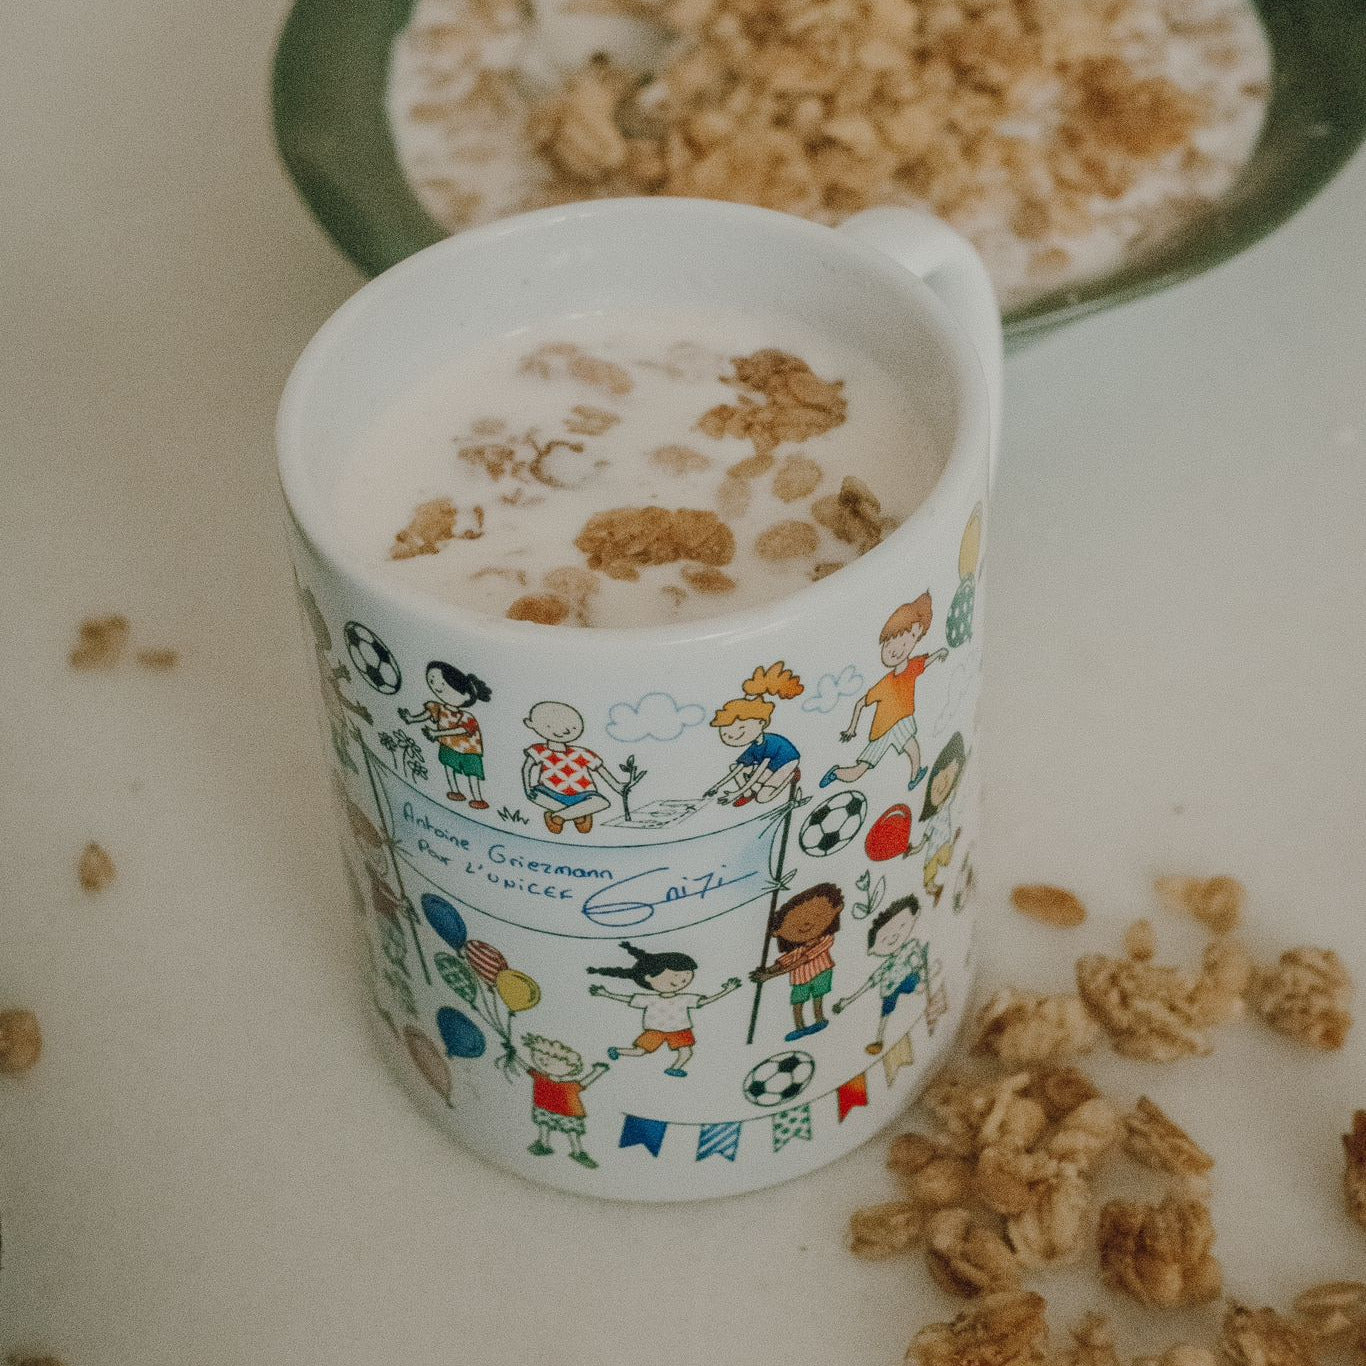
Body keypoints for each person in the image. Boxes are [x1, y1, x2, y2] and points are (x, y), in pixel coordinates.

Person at [822, 594, 947, 792]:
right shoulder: (885, 684)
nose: (901, 648)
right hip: (883, 728)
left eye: (911, 639)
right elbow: (860, 703)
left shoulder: (911, 668)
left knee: (912, 747)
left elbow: (926, 661)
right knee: (861, 769)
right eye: (893, 641)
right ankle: (836, 773)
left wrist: (940, 653)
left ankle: (914, 777)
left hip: (901, 720)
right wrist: (851, 728)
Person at [588, 942, 741, 1077]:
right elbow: (629, 999)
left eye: (686, 976)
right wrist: (606, 994)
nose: (682, 980)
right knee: (640, 1051)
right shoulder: (651, 999)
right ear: (648, 978)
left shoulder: (684, 997)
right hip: (656, 1030)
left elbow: (705, 1001)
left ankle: (674, 1069)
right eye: (676, 975)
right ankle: (617, 1050)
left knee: (686, 1052)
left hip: (680, 1029)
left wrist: (727, 990)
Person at [832, 896, 927, 1055]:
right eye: (884, 939)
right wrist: (848, 1001)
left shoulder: (911, 946)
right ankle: (879, 1039)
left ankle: (918, 985)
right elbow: (870, 983)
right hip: (890, 988)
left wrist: (923, 975)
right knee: (885, 1012)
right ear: (873, 950)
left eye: (902, 925)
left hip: (908, 979)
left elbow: (920, 960)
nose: (894, 936)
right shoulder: (886, 967)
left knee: (912, 981)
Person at [750, 882, 844, 1041]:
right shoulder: (796, 950)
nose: (807, 924)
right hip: (800, 980)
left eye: (817, 914)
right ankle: (800, 1028)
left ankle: (819, 1020)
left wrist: (769, 976)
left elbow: (801, 961)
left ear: (837, 909)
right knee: (798, 1003)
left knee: (817, 998)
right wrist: (767, 971)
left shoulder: (826, 939)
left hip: (822, 972)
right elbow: (783, 962)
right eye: (793, 924)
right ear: (777, 932)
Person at [704, 662, 803, 807]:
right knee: (735, 767)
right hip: (771, 765)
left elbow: (758, 773)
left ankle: (791, 777)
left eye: (741, 728)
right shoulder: (754, 746)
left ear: (761, 723)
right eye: (725, 732)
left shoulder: (770, 744)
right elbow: (737, 769)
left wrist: (734, 794)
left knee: (763, 798)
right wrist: (715, 788)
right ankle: (748, 793)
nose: (731, 736)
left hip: (787, 761)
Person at [522, 700, 626, 835]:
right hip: (549, 792)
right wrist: (527, 788)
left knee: (602, 802)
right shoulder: (539, 750)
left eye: (572, 728)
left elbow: (601, 771)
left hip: (582, 794)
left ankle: (558, 817)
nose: (563, 731)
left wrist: (618, 787)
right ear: (530, 724)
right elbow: (526, 768)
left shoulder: (581, 753)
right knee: (535, 796)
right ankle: (579, 815)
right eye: (549, 725)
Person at [399, 661, 492, 808]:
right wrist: (411, 719)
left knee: (472, 774)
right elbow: (426, 714)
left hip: (469, 750)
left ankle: (477, 798)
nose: (437, 687)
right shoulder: (439, 708)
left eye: (443, 684)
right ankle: (455, 791)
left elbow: (461, 730)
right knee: (449, 767)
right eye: (432, 681)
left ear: (466, 694)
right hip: (448, 745)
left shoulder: (467, 717)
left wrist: (437, 733)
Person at [520, 1034, 609, 1169]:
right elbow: (527, 1068)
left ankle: (577, 1152)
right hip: (544, 1107)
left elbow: (584, 1082)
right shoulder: (541, 1077)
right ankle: (543, 1144)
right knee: (544, 1124)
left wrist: (598, 1071)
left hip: (568, 1112)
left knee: (571, 1131)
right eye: (541, 1058)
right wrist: (513, 1054)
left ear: (570, 1068)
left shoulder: (569, 1086)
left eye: (552, 1060)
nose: (545, 1061)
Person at [910, 733, 967, 906]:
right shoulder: (932, 818)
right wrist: (914, 849)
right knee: (931, 872)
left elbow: (956, 786)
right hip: (933, 851)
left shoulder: (948, 803)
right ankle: (933, 889)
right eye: (940, 774)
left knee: (947, 860)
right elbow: (925, 839)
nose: (943, 784)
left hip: (945, 846)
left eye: (950, 779)